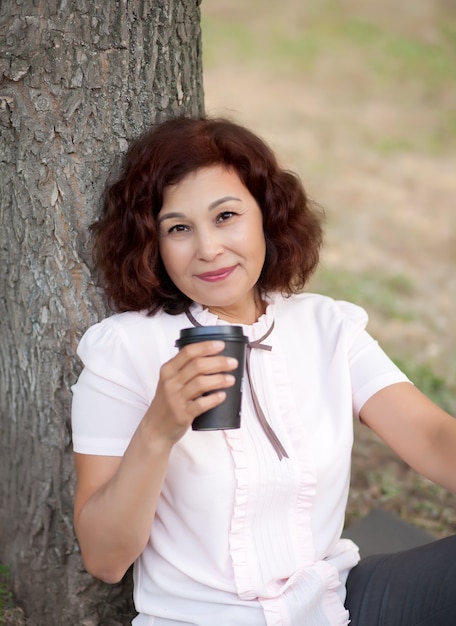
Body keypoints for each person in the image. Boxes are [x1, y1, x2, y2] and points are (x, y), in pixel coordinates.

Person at [71, 116, 456, 626]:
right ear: (155, 245)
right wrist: (158, 430)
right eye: (179, 228)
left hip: (334, 605)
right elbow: (103, 559)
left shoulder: (325, 326)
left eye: (226, 216)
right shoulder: (124, 349)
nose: (208, 249)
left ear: (265, 216)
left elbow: (431, 437)